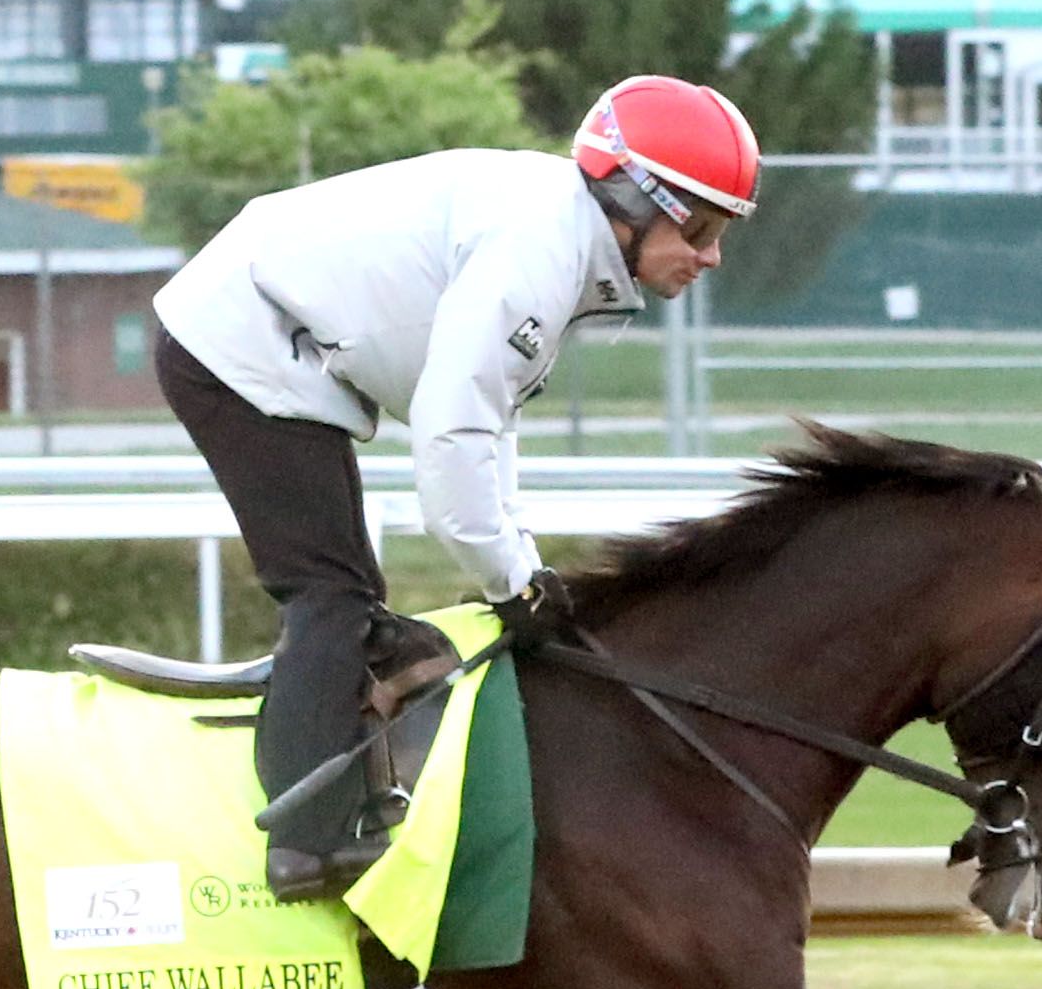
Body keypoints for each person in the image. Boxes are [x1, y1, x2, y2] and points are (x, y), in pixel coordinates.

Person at [152, 74, 758, 904]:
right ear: (633, 197)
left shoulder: (557, 237)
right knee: (330, 594)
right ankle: (303, 845)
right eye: (700, 227)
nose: (711, 255)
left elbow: (486, 422)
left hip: (262, 329)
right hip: (236, 338)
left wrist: (520, 570)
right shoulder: (539, 247)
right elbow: (453, 434)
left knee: (350, 595)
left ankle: (354, 784)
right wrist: (510, 584)